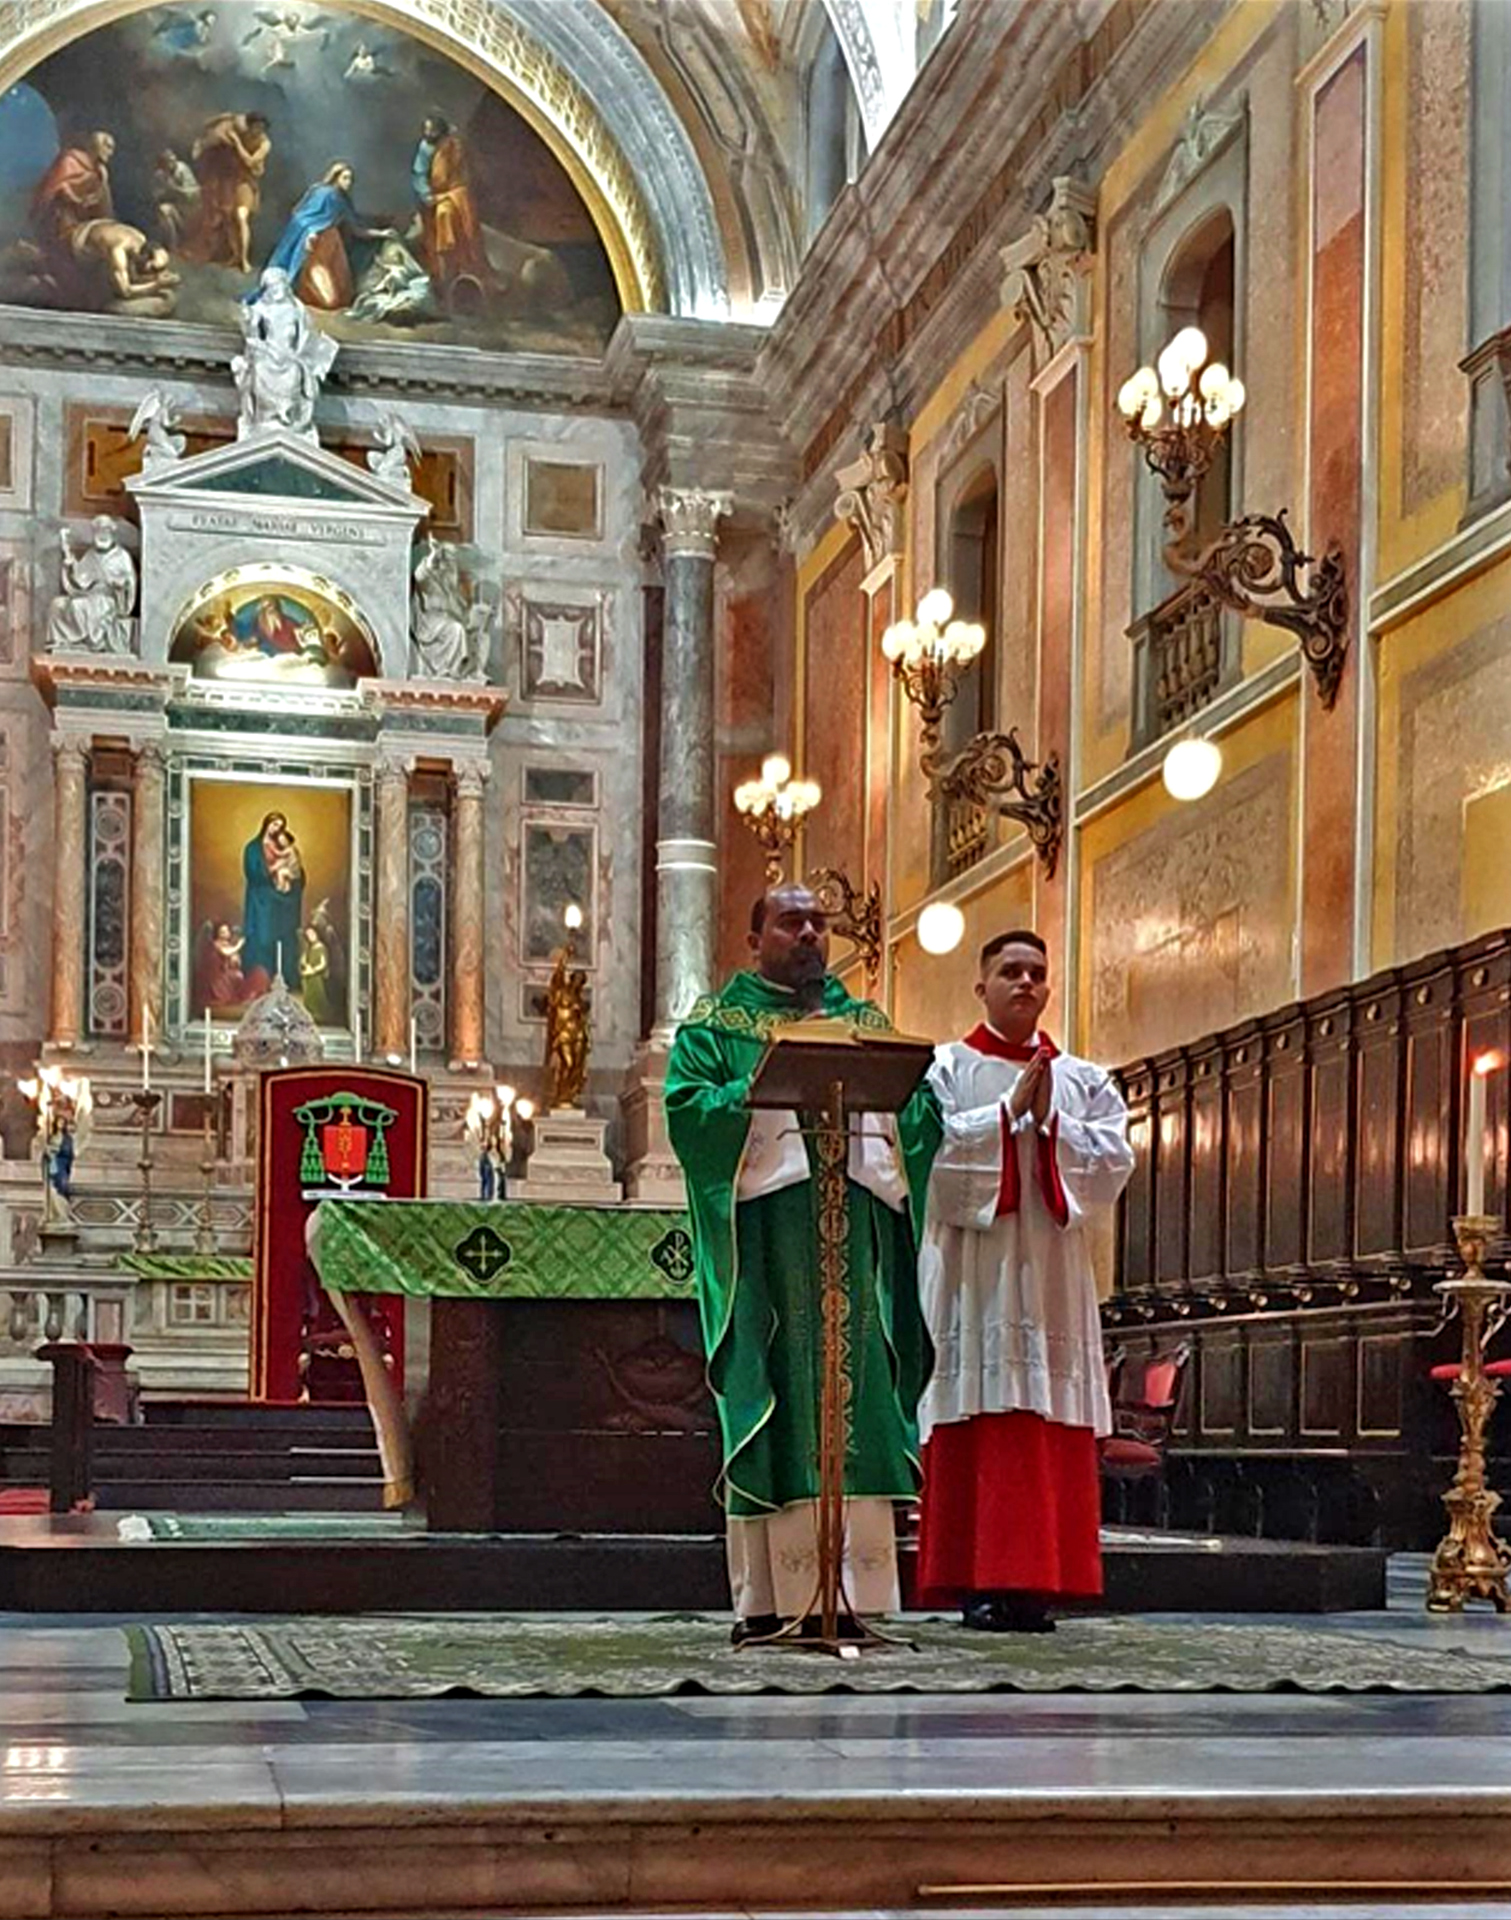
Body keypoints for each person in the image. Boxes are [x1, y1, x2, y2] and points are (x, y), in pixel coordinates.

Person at [665, 882, 939, 1644]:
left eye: (818, 922)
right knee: (774, 1392)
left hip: (854, 1239)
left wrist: (885, 1104)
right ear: (755, 939)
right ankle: (768, 1600)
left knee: (859, 1398)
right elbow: (689, 1112)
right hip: (768, 1245)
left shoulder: (863, 1023)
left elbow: (920, 1114)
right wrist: (772, 1096)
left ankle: (860, 1596)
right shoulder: (715, 1026)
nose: (810, 934)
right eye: (790, 921)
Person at [915, 930, 1134, 1632]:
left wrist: (1051, 1126)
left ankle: (1041, 1582)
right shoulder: (942, 1069)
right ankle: (974, 1579)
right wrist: (1006, 1114)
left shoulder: (1083, 1079)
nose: (1025, 983)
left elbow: (1112, 1164)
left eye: (1037, 973)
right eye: (1009, 971)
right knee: (980, 1409)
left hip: (1051, 1277)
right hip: (974, 1276)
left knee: (1045, 1414)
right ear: (980, 986)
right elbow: (927, 1155)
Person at [263, 162, 394, 311]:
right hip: (314, 248)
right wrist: (310, 232)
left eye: (350, 179)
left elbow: (356, 229)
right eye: (345, 178)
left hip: (331, 247)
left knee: (340, 300)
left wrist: (381, 233)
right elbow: (301, 216)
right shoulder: (321, 192)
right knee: (328, 301)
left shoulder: (342, 200)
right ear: (336, 177)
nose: (348, 183)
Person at [410, 114, 489, 306]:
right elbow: (419, 174)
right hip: (435, 197)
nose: (428, 134)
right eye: (426, 130)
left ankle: (463, 270)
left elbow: (465, 173)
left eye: (432, 130)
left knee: (456, 221)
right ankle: (441, 276)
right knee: (439, 223)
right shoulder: (425, 147)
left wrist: (449, 194)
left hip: (456, 195)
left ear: (441, 130)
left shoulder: (454, 145)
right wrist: (428, 195)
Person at [189, 112, 271, 273]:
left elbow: (250, 161)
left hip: (247, 183)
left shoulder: (265, 143)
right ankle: (236, 255)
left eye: (262, 128)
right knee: (228, 218)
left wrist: (236, 142)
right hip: (232, 181)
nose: (258, 131)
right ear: (250, 126)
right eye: (256, 127)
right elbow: (218, 123)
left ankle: (244, 260)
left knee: (241, 217)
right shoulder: (238, 128)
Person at [241, 811, 304, 993]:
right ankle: (260, 982)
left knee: (285, 938)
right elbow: (253, 873)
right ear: (266, 824)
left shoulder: (283, 845)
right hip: (261, 902)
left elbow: (297, 871)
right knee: (262, 938)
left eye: (280, 825)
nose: (277, 828)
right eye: (274, 824)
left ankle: (286, 979)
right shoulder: (253, 848)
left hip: (281, 904)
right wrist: (274, 870)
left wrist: (292, 879)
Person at [31, 131, 114, 260]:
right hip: (63, 218)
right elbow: (58, 187)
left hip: (86, 217)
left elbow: (102, 200)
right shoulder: (70, 161)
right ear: (96, 145)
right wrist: (76, 200)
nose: (110, 152)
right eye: (107, 146)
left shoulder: (100, 172)